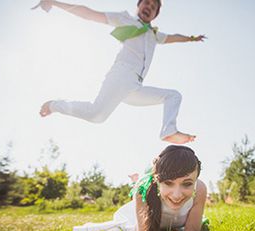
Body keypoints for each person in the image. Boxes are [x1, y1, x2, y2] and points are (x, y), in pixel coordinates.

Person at [33, 0, 206, 144]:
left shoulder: (154, 34)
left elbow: (173, 37)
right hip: (121, 75)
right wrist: (54, 3)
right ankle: (54, 105)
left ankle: (168, 131)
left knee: (173, 96)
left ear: (155, 15)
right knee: (96, 115)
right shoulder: (125, 19)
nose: (149, 7)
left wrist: (191, 39)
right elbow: (89, 13)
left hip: (135, 87)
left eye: (154, 8)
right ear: (138, 5)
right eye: (147, 3)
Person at [73, 145, 207, 231]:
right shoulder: (143, 189)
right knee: (124, 227)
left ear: (195, 180)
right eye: (168, 183)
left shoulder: (200, 188)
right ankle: (134, 179)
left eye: (187, 183)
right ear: (157, 180)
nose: (177, 195)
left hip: (178, 221)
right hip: (144, 212)